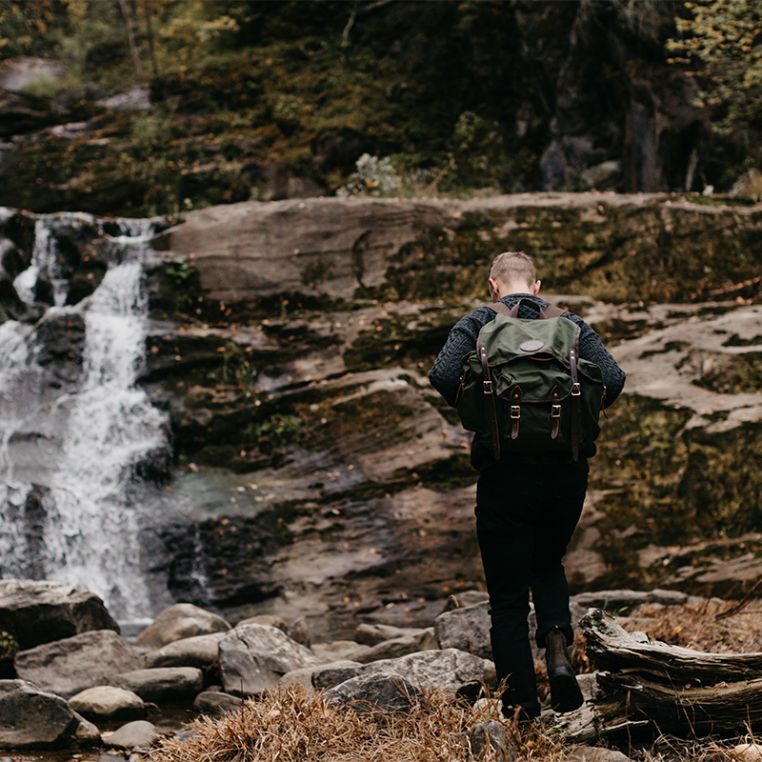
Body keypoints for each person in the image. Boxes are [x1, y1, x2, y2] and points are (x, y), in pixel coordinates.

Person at [428, 250, 625, 721]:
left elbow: (442, 375)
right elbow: (614, 380)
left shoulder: (478, 321)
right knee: (548, 561)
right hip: (566, 471)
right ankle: (558, 652)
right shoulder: (572, 324)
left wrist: (480, 406)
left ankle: (522, 708)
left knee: (507, 596)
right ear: (536, 286)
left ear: (493, 286)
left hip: (503, 473)